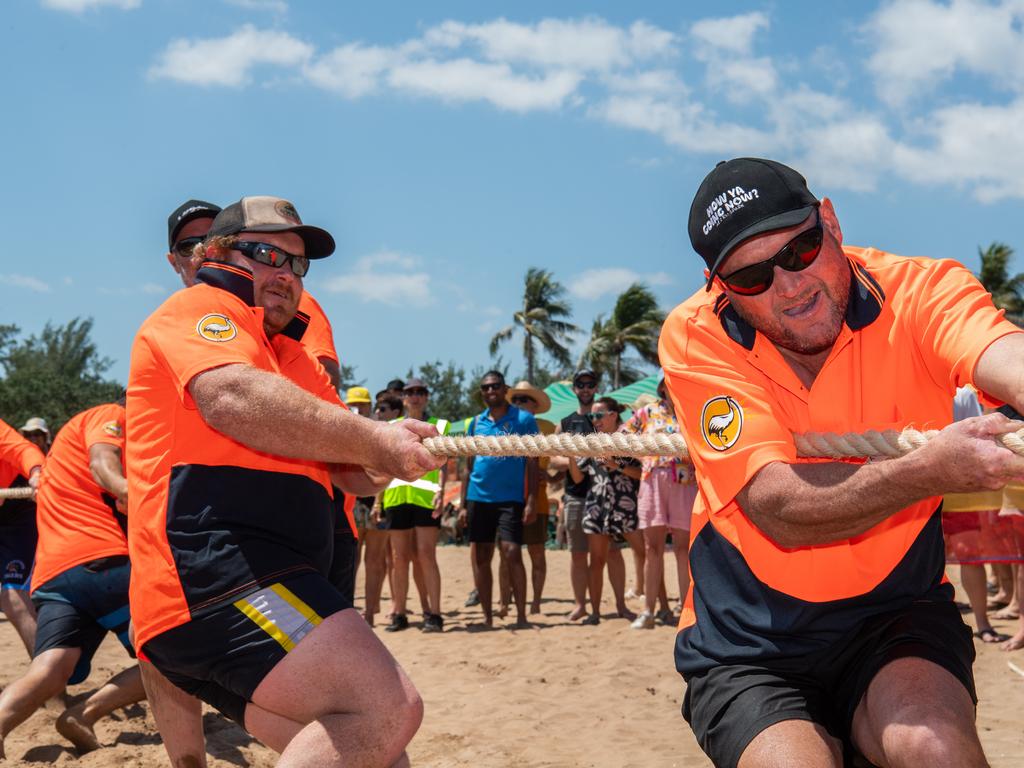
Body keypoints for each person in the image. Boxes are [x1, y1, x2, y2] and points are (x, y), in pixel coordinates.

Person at [662, 156, 1024, 768]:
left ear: (829, 220)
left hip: (896, 612)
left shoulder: (919, 289)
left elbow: (1001, 352)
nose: (790, 284)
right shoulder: (697, 335)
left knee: (934, 747)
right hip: (748, 639)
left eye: (800, 249)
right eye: (751, 277)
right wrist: (931, 470)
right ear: (716, 284)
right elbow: (778, 506)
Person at [128, 196, 443, 767]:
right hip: (217, 578)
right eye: (269, 254)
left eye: (297, 264)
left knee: (380, 754)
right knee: (385, 707)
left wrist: (394, 455)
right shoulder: (201, 307)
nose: (286, 274)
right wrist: (377, 442)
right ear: (219, 255)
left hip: (251, 576)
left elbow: (351, 472)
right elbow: (233, 397)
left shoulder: (291, 355)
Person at [0, 401, 144, 758]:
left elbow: (22, 450)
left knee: (51, 667)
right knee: (174, 659)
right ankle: (85, 713)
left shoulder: (74, 439)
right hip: (100, 558)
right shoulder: (113, 415)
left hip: (53, 573)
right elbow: (102, 464)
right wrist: (132, 493)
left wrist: (34, 470)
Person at [458, 371, 539, 627]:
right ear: (481, 392)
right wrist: (461, 505)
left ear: (505, 389)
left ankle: (522, 617)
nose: (490, 391)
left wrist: (532, 499)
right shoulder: (475, 422)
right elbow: (467, 467)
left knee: (512, 552)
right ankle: (488, 617)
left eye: (495, 386)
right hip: (478, 497)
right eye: (485, 387)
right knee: (482, 557)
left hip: (510, 498)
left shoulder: (524, 419)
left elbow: (534, 463)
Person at [622, 376, 695, 629]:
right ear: (662, 386)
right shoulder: (647, 412)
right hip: (652, 480)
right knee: (652, 548)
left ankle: (687, 612)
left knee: (683, 550)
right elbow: (622, 436)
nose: (673, 385)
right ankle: (648, 611)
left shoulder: (691, 411)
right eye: (668, 381)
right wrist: (639, 453)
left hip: (684, 484)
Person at [379, 378, 449, 633]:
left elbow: (445, 465)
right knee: (398, 559)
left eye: (420, 392)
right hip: (396, 497)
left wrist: (442, 493)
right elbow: (383, 467)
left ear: (427, 397)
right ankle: (399, 613)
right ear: (404, 398)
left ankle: (435, 614)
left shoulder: (441, 425)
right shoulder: (392, 427)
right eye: (411, 392)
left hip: (426, 498)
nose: (415, 396)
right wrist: (378, 500)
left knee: (426, 555)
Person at [570, 397, 641, 625]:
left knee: (623, 554)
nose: (594, 420)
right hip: (597, 505)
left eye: (598, 415)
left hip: (624, 506)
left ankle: (622, 607)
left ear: (612, 415)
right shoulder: (591, 442)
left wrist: (615, 465)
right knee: (598, 560)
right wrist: (571, 453)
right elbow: (578, 477)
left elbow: (640, 473)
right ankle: (595, 612)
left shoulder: (628, 438)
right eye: (591, 416)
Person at [502, 381, 555, 615]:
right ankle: (505, 602)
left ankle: (535, 601)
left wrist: (552, 475)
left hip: (538, 496)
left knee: (536, 552)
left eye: (524, 400)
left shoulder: (549, 428)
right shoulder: (504, 425)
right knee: (506, 553)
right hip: (507, 495)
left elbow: (565, 459)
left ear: (535, 405)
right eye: (516, 400)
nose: (519, 404)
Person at [548, 369, 598, 621]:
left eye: (590, 384)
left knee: (606, 554)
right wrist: (574, 461)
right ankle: (580, 604)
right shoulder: (565, 424)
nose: (586, 388)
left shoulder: (605, 419)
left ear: (596, 387)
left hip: (604, 495)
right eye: (581, 384)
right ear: (575, 389)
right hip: (575, 496)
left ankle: (614, 605)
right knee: (578, 554)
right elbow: (551, 459)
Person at [0, 420, 45, 659]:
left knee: (14, 600)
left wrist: (37, 472)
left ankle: (52, 691)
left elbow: (23, 449)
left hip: (16, 509)